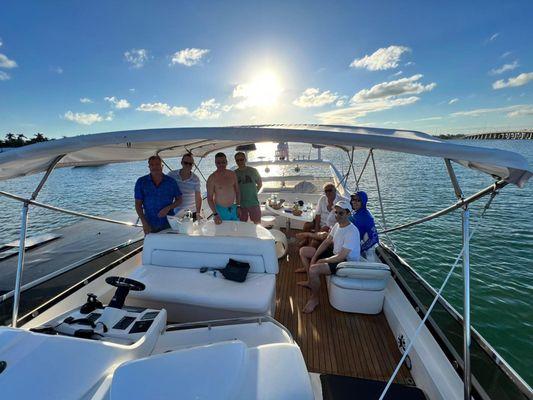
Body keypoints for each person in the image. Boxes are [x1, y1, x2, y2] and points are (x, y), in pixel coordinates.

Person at [297, 199, 360, 313]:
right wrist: (315, 257)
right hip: (336, 254)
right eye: (336, 212)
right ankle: (310, 281)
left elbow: (341, 256)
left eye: (341, 213)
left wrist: (323, 260)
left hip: (346, 262)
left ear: (348, 214)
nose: (337, 215)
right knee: (303, 251)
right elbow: (326, 242)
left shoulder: (352, 231)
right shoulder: (337, 225)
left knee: (314, 269)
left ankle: (314, 298)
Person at [135, 155, 182, 234]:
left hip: (168, 223)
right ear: (149, 167)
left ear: (162, 166)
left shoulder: (171, 182)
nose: (155, 167)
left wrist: (168, 207)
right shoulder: (141, 182)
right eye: (152, 165)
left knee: (167, 245)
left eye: (157, 164)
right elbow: (138, 204)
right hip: (149, 224)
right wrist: (144, 223)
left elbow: (179, 200)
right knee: (152, 246)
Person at [207, 152, 240, 224]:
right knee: (222, 233)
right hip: (220, 211)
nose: (221, 164)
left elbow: (237, 191)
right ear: (215, 163)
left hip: (234, 208)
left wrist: (238, 206)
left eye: (223, 162)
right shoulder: (212, 178)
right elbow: (209, 198)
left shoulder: (232, 174)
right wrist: (215, 214)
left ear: (226, 162)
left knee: (237, 232)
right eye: (218, 163)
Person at [168, 153, 203, 220]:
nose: (188, 165)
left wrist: (198, 213)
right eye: (186, 163)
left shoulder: (195, 179)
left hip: (191, 212)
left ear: (193, 165)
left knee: (188, 229)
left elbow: (198, 196)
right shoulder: (172, 175)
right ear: (181, 163)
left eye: (190, 164)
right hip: (176, 212)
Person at [349, 191, 380, 262]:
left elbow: (374, 238)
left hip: (354, 245)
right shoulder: (356, 212)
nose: (354, 202)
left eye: (358, 200)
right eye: (353, 199)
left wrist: (360, 249)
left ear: (363, 202)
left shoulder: (367, 217)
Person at [234, 151, 262, 224]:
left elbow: (260, 183)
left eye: (241, 159)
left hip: (253, 202)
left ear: (245, 160)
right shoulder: (234, 174)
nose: (240, 161)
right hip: (241, 204)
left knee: (257, 222)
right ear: (235, 161)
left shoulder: (253, 171)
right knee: (242, 224)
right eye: (237, 160)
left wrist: (254, 192)